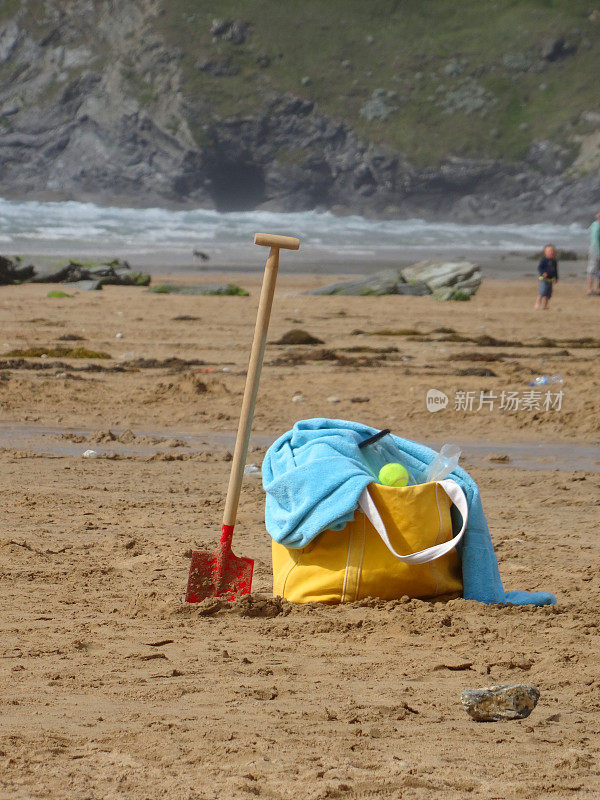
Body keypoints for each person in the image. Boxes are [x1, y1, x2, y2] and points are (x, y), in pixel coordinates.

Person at [535, 244, 558, 310]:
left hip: (550, 279)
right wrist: (543, 273)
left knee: (548, 294)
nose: (551, 252)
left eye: (552, 251)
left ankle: (545, 305)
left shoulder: (554, 261)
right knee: (543, 291)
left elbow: (555, 270)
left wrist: (556, 278)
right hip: (543, 278)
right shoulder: (544, 260)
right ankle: (537, 302)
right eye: (549, 251)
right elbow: (539, 267)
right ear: (545, 252)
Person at [587, 212, 600, 295]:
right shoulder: (596, 226)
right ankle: (589, 289)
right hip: (595, 251)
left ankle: (598, 289)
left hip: (596, 250)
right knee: (592, 270)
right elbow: (595, 241)